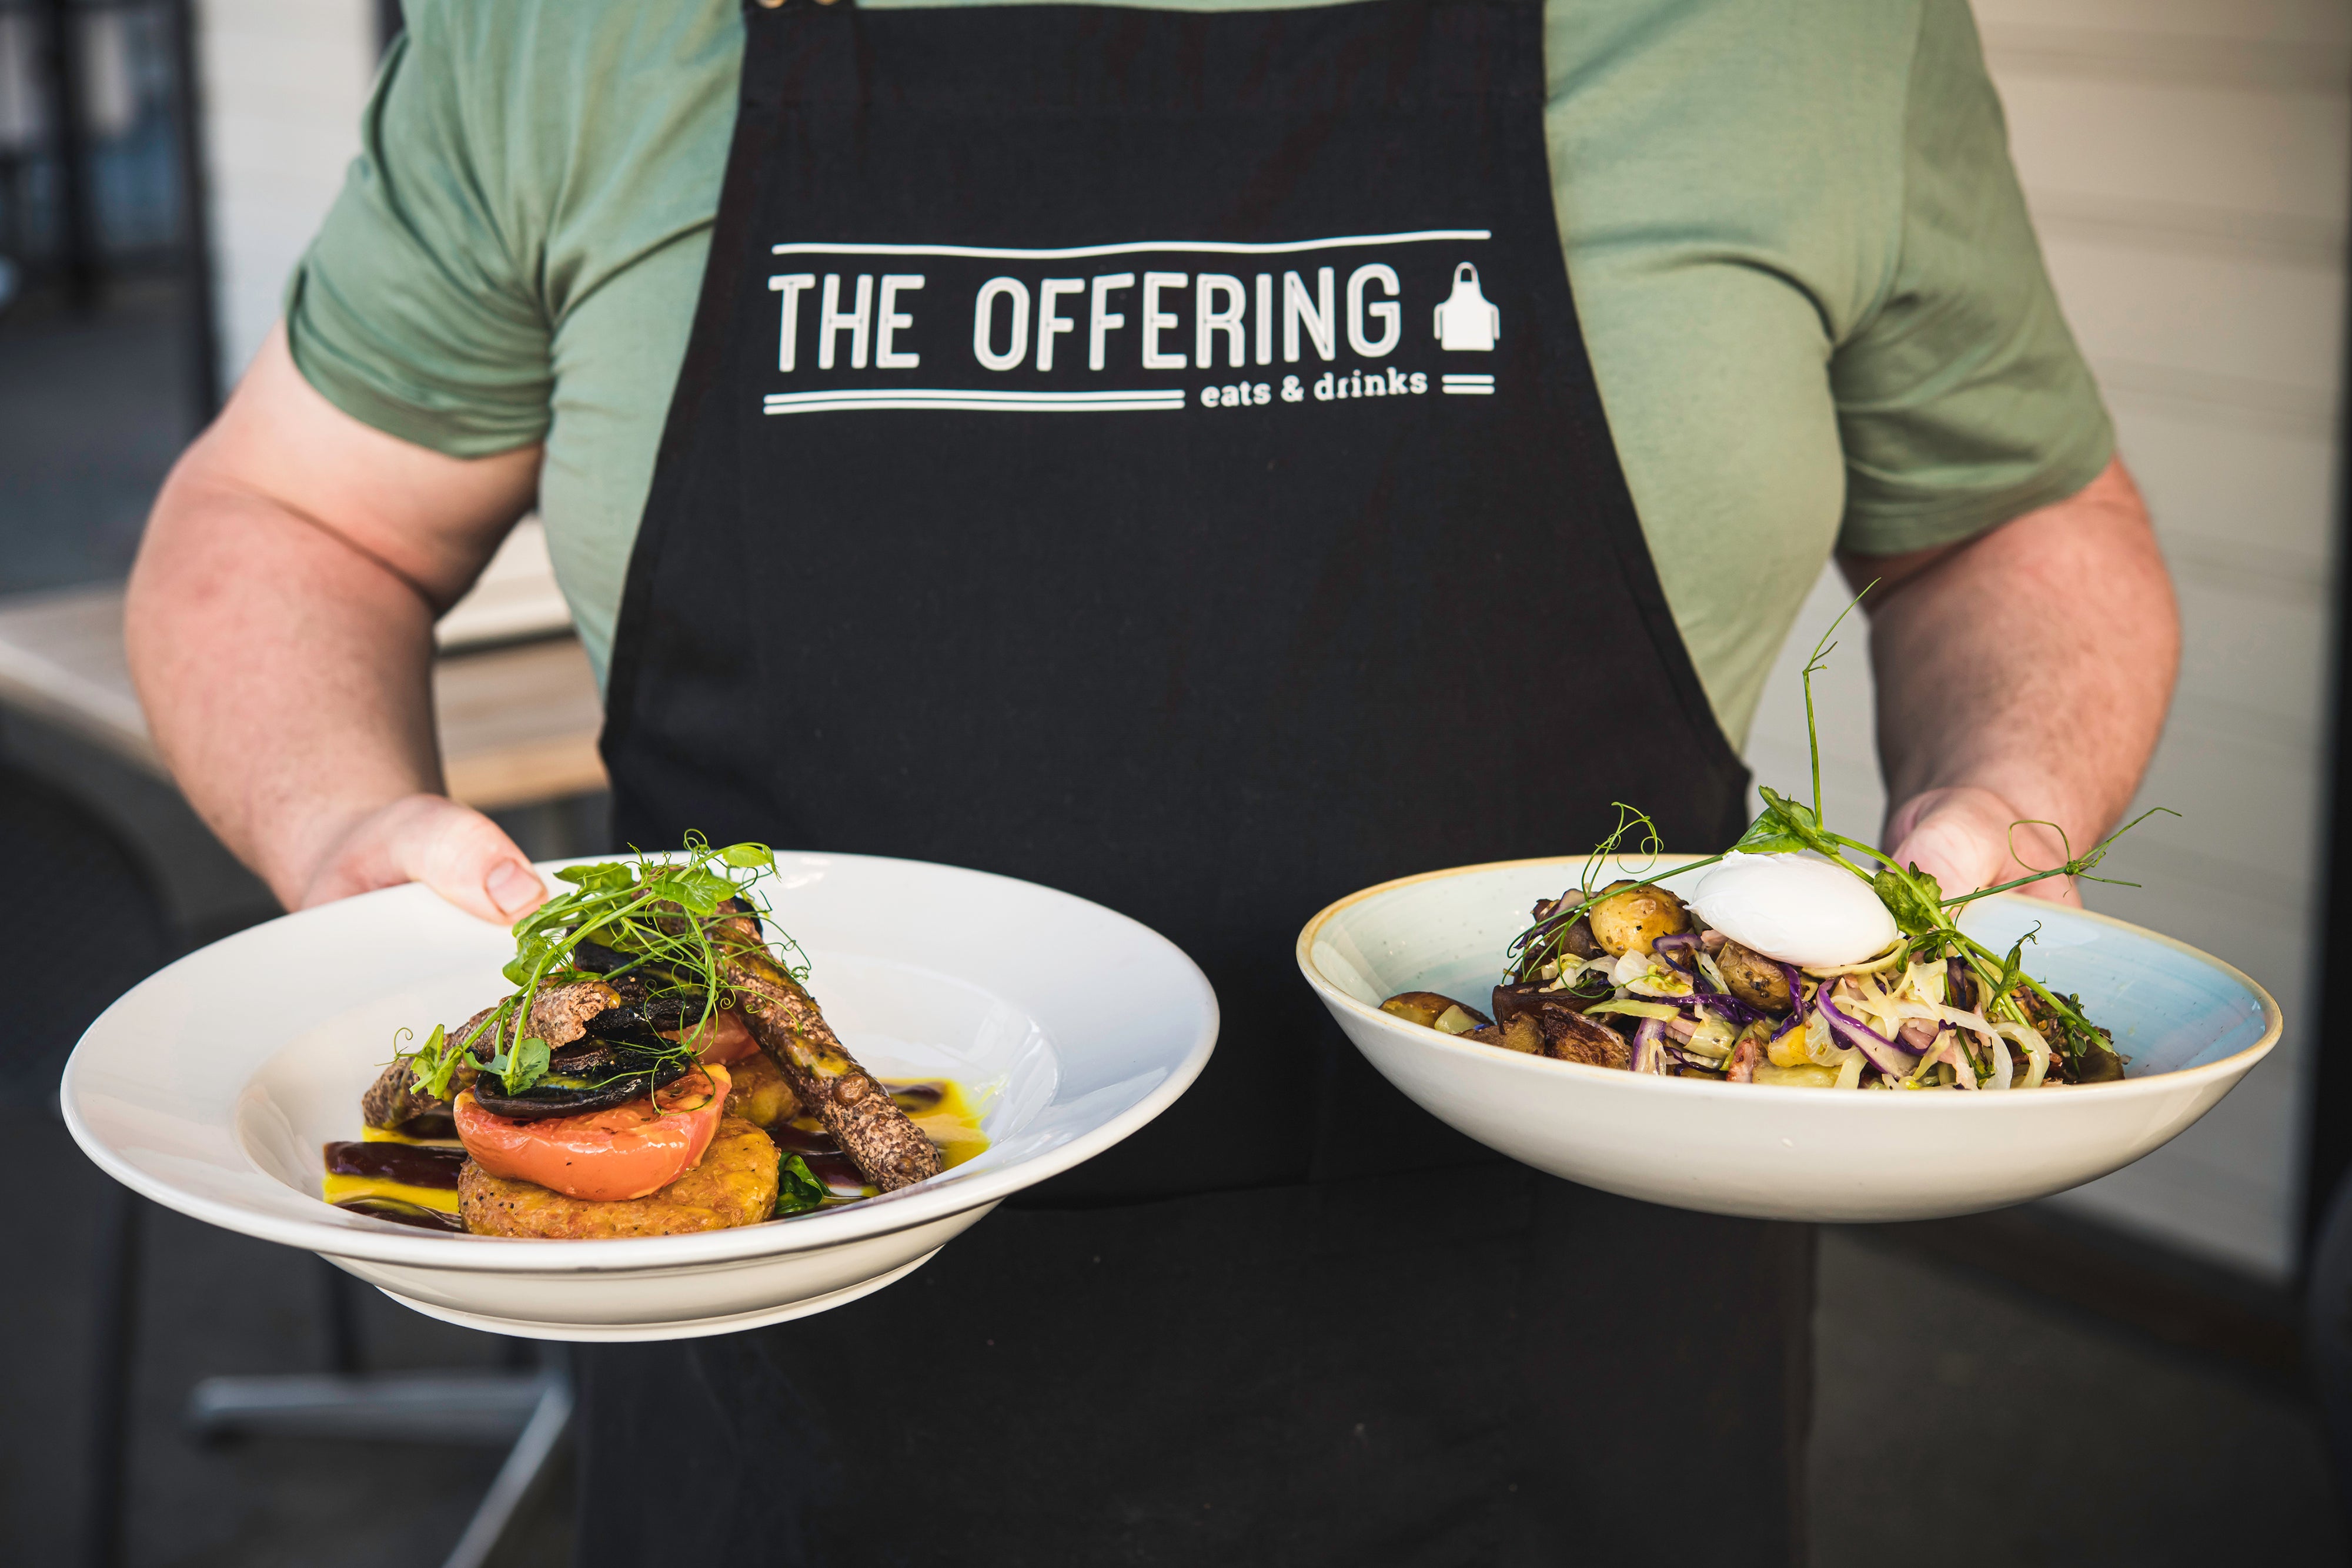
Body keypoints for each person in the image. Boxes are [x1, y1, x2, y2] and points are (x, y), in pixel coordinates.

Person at [127, 0, 2179, 1560]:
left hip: (1575, 1395)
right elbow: (290, 519)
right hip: (792, 1394)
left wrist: (2003, 806)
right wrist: (346, 830)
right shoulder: (575, 36)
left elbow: (2013, 519)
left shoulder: (1799, 37)